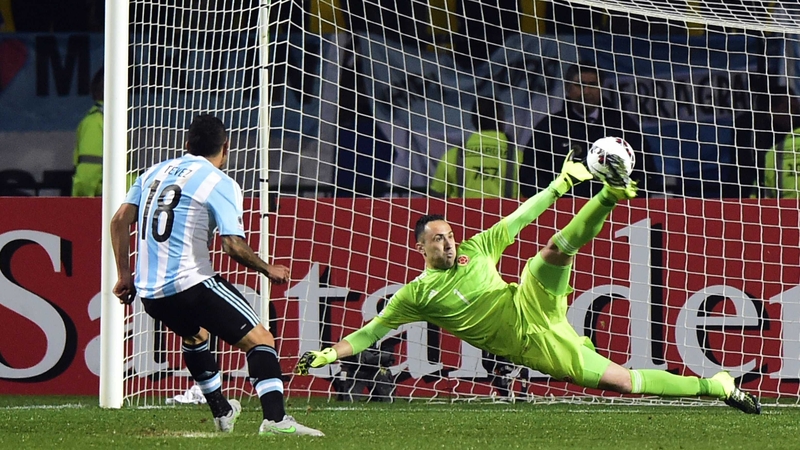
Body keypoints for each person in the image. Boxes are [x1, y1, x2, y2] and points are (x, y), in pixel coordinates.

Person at [295, 151, 761, 414]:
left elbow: (519, 216)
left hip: (530, 302)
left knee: (553, 252)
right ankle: (715, 386)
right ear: (421, 248)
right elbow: (372, 332)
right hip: (532, 344)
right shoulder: (416, 295)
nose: (448, 243)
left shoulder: (478, 248)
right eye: (438, 240)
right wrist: (328, 353)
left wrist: (560, 186)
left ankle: (610, 193)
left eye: (450, 236)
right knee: (627, 383)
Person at [110, 114, 324, 436]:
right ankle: (276, 421)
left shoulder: (152, 173)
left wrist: (125, 275)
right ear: (227, 147)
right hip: (191, 283)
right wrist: (268, 269)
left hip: (150, 292)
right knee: (260, 340)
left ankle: (223, 412)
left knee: (195, 336)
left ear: (186, 145)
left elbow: (119, 221)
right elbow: (233, 246)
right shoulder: (219, 182)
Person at [520, 63, 659, 198]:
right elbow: (530, 174)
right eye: (579, 85)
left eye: (592, 85)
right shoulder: (550, 127)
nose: (586, 91)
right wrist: (554, 201)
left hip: (615, 212)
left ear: (601, 88)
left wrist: (626, 201)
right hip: (563, 214)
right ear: (568, 88)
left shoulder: (622, 126)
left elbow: (645, 171)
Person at [430, 97, 520, 198]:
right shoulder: (520, 159)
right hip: (509, 213)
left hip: (462, 213)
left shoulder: (451, 157)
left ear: (473, 121)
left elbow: (436, 199)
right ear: (502, 119)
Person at [72, 68, 104, 197]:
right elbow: (89, 171)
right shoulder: (100, 122)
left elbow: (88, 173)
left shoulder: (95, 122)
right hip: (112, 203)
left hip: (105, 203)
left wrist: (80, 203)